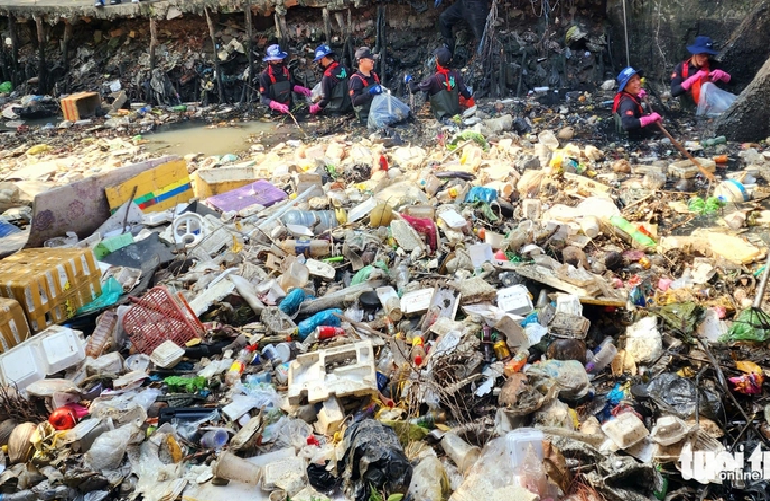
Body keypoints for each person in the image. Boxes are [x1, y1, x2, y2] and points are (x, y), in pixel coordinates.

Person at [406, 47, 474, 120]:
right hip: (455, 113)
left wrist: (409, 80)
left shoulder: (433, 79)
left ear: (437, 61)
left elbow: (413, 89)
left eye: (436, 58)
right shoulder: (456, 75)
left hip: (440, 116)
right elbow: (466, 95)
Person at [670, 36, 731, 108]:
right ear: (694, 53)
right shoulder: (681, 67)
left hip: (711, 109)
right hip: (688, 111)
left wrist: (724, 76)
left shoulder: (714, 65)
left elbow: (734, 83)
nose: (705, 58)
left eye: (707, 55)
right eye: (701, 55)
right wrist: (692, 79)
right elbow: (674, 92)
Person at [259, 44, 313, 115]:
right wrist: (277, 106)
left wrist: (301, 89)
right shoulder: (265, 75)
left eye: (279, 59)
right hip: (272, 112)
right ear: (269, 61)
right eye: (275, 60)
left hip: (288, 109)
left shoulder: (285, 71)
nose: (278, 62)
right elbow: (264, 99)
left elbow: (290, 86)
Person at [613, 67, 661, 141]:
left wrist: (638, 96)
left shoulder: (628, 96)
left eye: (638, 79)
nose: (638, 83)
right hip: (630, 139)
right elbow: (627, 124)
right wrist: (650, 119)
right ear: (625, 86)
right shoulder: (627, 102)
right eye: (632, 81)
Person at [309, 44, 352, 116]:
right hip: (348, 107)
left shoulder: (327, 76)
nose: (318, 63)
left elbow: (325, 100)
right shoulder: (343, 67)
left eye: (319, 61)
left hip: (335, 111)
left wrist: (315, 107)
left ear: (323, 58)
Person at [349, 47, 382, 125]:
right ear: (361, 61)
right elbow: (355, 101)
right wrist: (370, 93)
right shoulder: (356, 79)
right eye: (370, 59)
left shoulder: (374, 75)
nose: (373, 61)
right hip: (365, 119)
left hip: (376, 114)